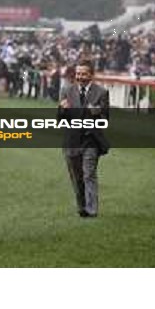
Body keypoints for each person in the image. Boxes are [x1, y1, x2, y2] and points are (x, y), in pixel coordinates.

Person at [58, 60, 110, 218]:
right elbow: (60, 120)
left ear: (91, 75)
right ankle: (82, 207)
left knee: (89, 174)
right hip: (72, 140)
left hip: (90, 139)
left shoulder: (101, 92)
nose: (80, 76)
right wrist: (63, 109)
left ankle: (92, 210)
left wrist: (96, 112)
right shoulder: (66, 90)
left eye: (84, 74)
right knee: (77, 177)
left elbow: (105, 118)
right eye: (78, 73)